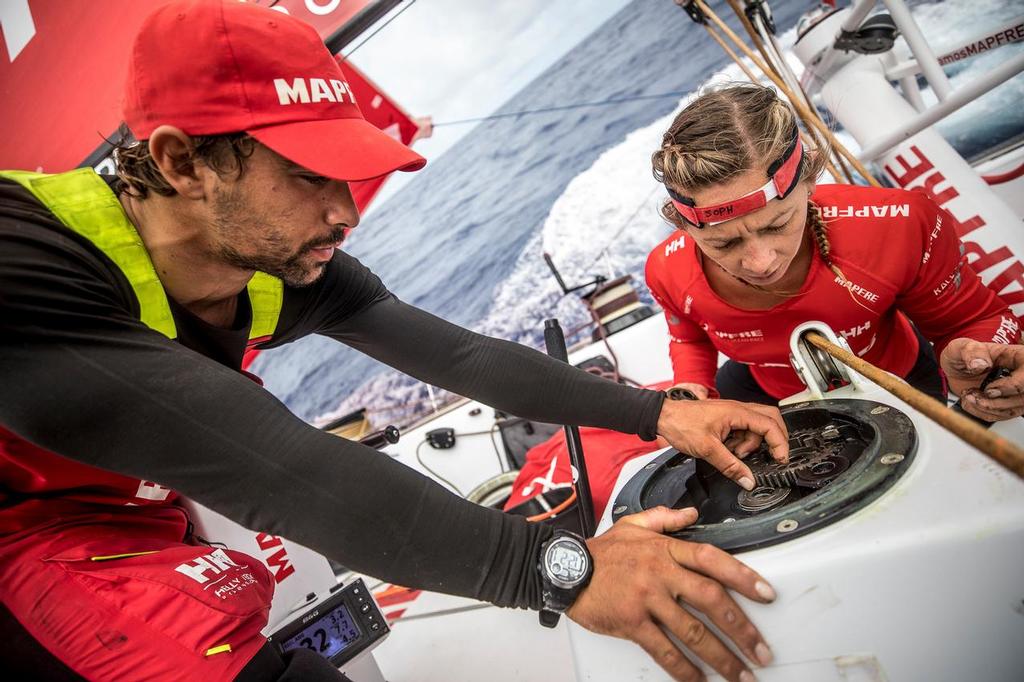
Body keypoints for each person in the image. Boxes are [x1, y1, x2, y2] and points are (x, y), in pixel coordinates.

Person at [0, 4, 791, 682]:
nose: (346, 213)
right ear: (184, 162)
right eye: (311, 175)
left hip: (137, 501)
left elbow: (461, 358)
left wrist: (656, 413)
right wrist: (559, 568)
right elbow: (279, 470)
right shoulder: (23, 260)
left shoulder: (272, 261)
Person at [646, 83, 1024, 422]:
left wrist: (978, 362)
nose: (761, 263)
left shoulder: (899, 224)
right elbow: (691, 337)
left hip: (898, 381)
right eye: (723, 243)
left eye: (777, 225)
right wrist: (692, 390)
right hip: (767, 397)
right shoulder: (665, 269)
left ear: (809, 180)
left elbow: (969, 320)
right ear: (682, 226)